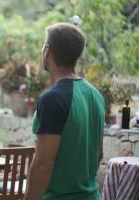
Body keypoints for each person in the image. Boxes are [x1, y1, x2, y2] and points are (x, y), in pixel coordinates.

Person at [24, 23, 105, 200]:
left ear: (47, 50)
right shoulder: (96, 95)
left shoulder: (52, 99)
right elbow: (99, 154)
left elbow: (43, 165)